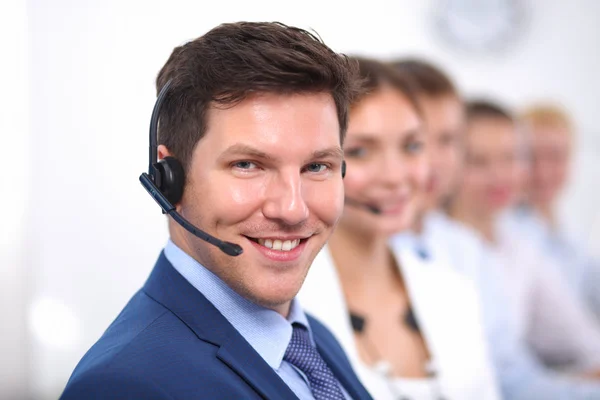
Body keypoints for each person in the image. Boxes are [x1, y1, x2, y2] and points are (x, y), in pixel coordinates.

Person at [60, 22, 373, 400]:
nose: (292, 209)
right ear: (168, 179)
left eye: (316, 166)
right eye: (248, 165)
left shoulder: (311, 340)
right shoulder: (126, 385)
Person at [390, 59, 600, 399]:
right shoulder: (375, 244)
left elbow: (511, 371)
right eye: (415, 142)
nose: (432, 161)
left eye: (446, 141)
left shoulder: (468, 248)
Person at [298, 57, 500, 400]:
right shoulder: (285, 305)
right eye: (361, 151)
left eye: (411, 146)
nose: (396, 176)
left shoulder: (454, 293)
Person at [448, 100, 600, 376]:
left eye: (510, 158)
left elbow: (580, 337)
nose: (498, 176)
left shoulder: (517, 242)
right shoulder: (438, 246)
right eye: (478, 161)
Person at [510, 104, 600, 323]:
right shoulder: (506, 230)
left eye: (555, 157)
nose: (543, 171)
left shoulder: (568, 230)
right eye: (530, 157)